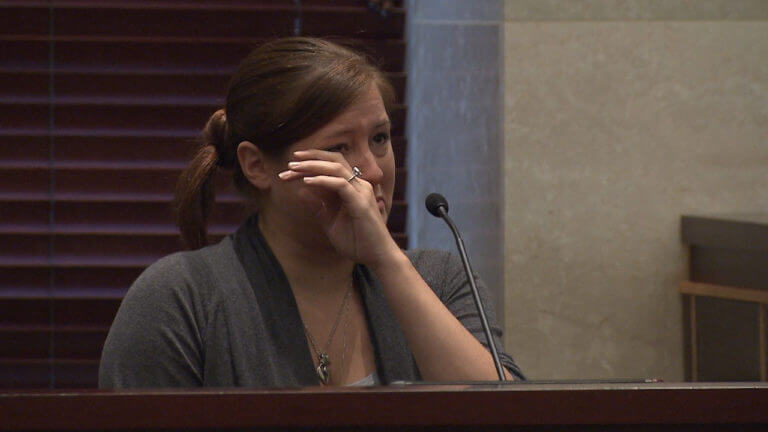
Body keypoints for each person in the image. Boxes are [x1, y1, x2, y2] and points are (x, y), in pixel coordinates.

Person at [99, 37, 523, 388]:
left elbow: (511, 416)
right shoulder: (178, 299)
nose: (373, 171)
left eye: (379, 138)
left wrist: (386, 260)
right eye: (339, 148)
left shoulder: (438, 280)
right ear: (258, 165)